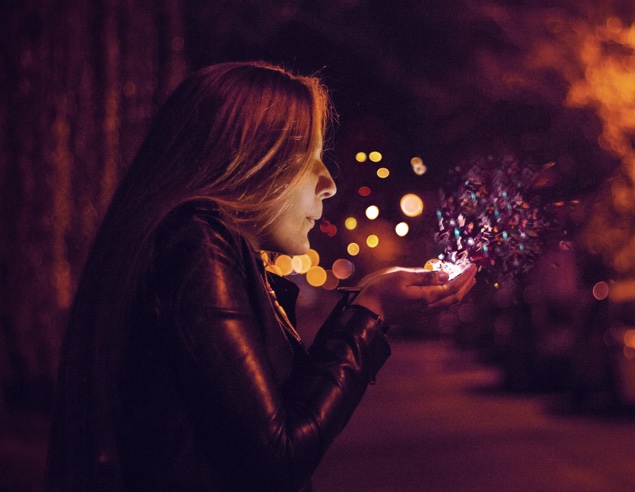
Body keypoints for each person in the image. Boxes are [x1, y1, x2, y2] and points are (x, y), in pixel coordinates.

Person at [46, 61, 477, 491]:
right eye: (308, 158)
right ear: (248, 159)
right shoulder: (195, 243)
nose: (327, 182)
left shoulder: (204, 245)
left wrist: (365, 302)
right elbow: (279, 453)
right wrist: (370, 312)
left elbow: (273, 418)